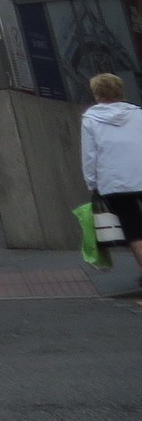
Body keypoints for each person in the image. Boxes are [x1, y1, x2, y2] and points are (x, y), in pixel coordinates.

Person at [81, 72, 142, 285]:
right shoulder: (138, 114)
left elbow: (90, 156)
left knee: (133, 228)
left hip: (114, 182)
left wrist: (92, 184)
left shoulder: (90, 119)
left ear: (97, 93)